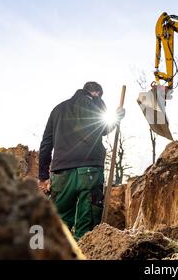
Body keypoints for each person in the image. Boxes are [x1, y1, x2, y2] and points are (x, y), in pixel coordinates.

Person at [38, 82, 125, 240]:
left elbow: (46, 144)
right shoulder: (95, 104)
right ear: (97, 93)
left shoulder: (57, 109)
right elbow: (104, 129)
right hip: (89, 172)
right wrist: (117, 116)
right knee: (86, 228)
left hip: (61, 173)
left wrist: (43, 176)